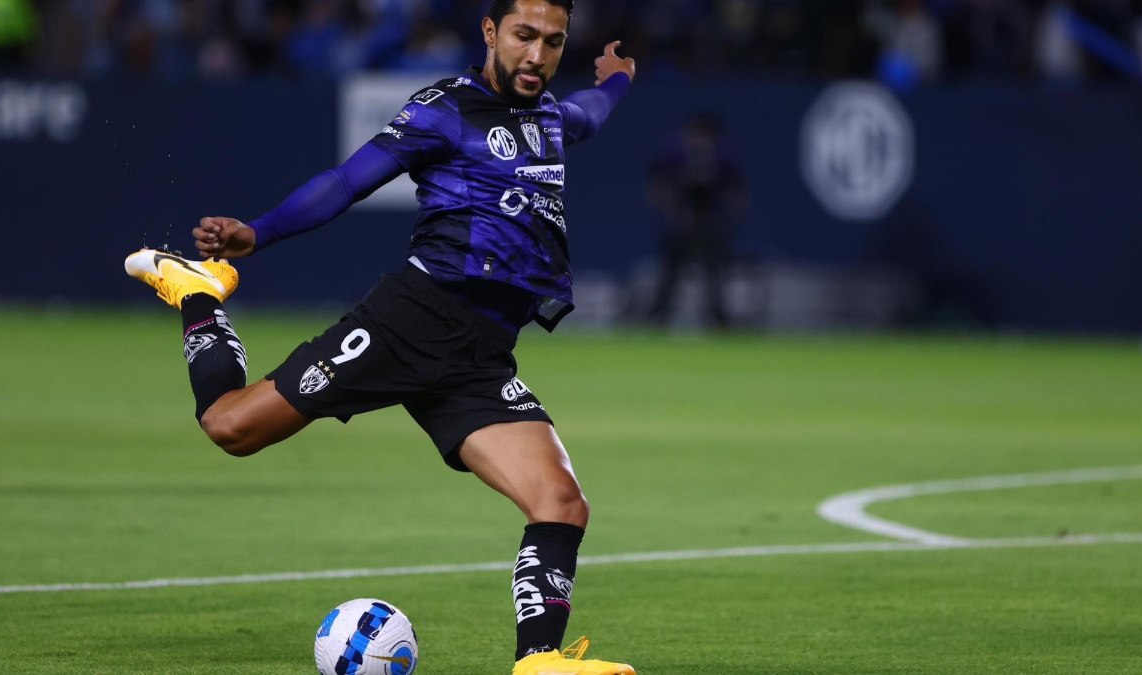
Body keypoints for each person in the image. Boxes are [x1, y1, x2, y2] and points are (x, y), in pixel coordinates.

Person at [123, 1, 636, 673]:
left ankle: (539, 660)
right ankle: (197, 291)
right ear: (490, 32)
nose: (537, 55)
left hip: (480, 353)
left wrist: (617, 79)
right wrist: (258, 232)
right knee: (230, 426)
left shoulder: (549, 118)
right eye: (524, 36)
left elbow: (589, 114)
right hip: (413, 319)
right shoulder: (444, 110)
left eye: (553, 41)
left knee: (561, 502)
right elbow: (345, 182)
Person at [646, 112, 747, 329]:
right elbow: (659, 182)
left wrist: (730, 213)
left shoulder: (722, 154)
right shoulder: (675, 151)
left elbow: (736, 187)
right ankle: (658, 317)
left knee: (714, 272)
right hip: (681, 220)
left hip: (711, 221)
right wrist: (668, 207)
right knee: (672, 272)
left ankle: (718, 318)